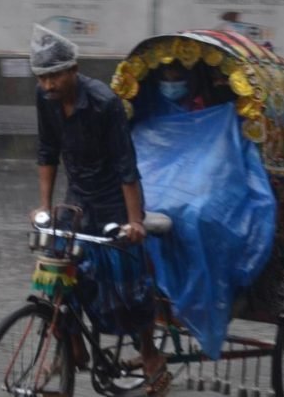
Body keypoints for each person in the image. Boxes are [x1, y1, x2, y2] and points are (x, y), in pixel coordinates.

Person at [28, 24, 171, 396]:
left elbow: (126, 165)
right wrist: (44, 208)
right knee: (56, 266)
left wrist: (135, 221)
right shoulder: (45, 100)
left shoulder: (104, 103)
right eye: (42, 78)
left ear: (73, 70)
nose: (48, 85)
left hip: (112, 198)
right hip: (76, 198)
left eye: (54, 76)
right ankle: (69, 345)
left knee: (127, 281)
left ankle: (150, 354)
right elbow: (47, 153)